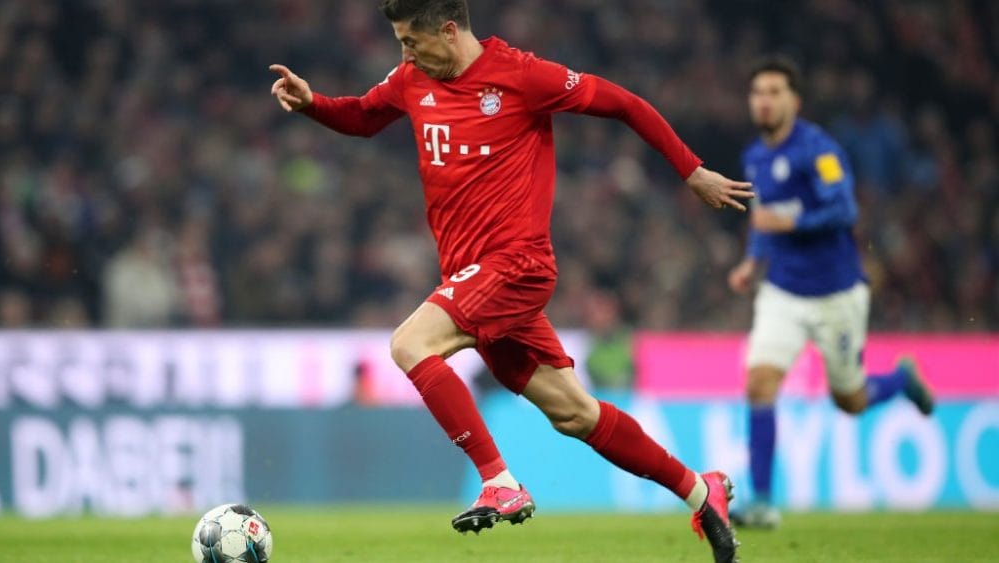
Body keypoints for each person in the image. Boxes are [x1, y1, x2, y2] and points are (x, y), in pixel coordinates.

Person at [271, 1, 752, 560]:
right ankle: (701, 490)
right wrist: (312, 105)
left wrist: (691, 170)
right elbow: (361, 117)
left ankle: (498, 481)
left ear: (448, 31)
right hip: (471, 276)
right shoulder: (411, 80)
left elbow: (625, 103)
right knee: (575, 413)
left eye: (411, 40)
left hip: (516, 265)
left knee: (410, 344)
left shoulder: (523, 77)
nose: (404, 53)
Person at [727, 56, 935, 528]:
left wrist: (792, 220)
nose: (765, 100)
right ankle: (761, 502)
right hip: (782, 290)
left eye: (775, 91)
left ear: (794, 101)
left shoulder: (819, 149)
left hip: (835, 293)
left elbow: (843, 210)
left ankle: (902, 380)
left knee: (850, 400)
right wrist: (752, 262)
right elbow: (763, 218)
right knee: (759, 381)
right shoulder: (754, 156)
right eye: (758, 91)